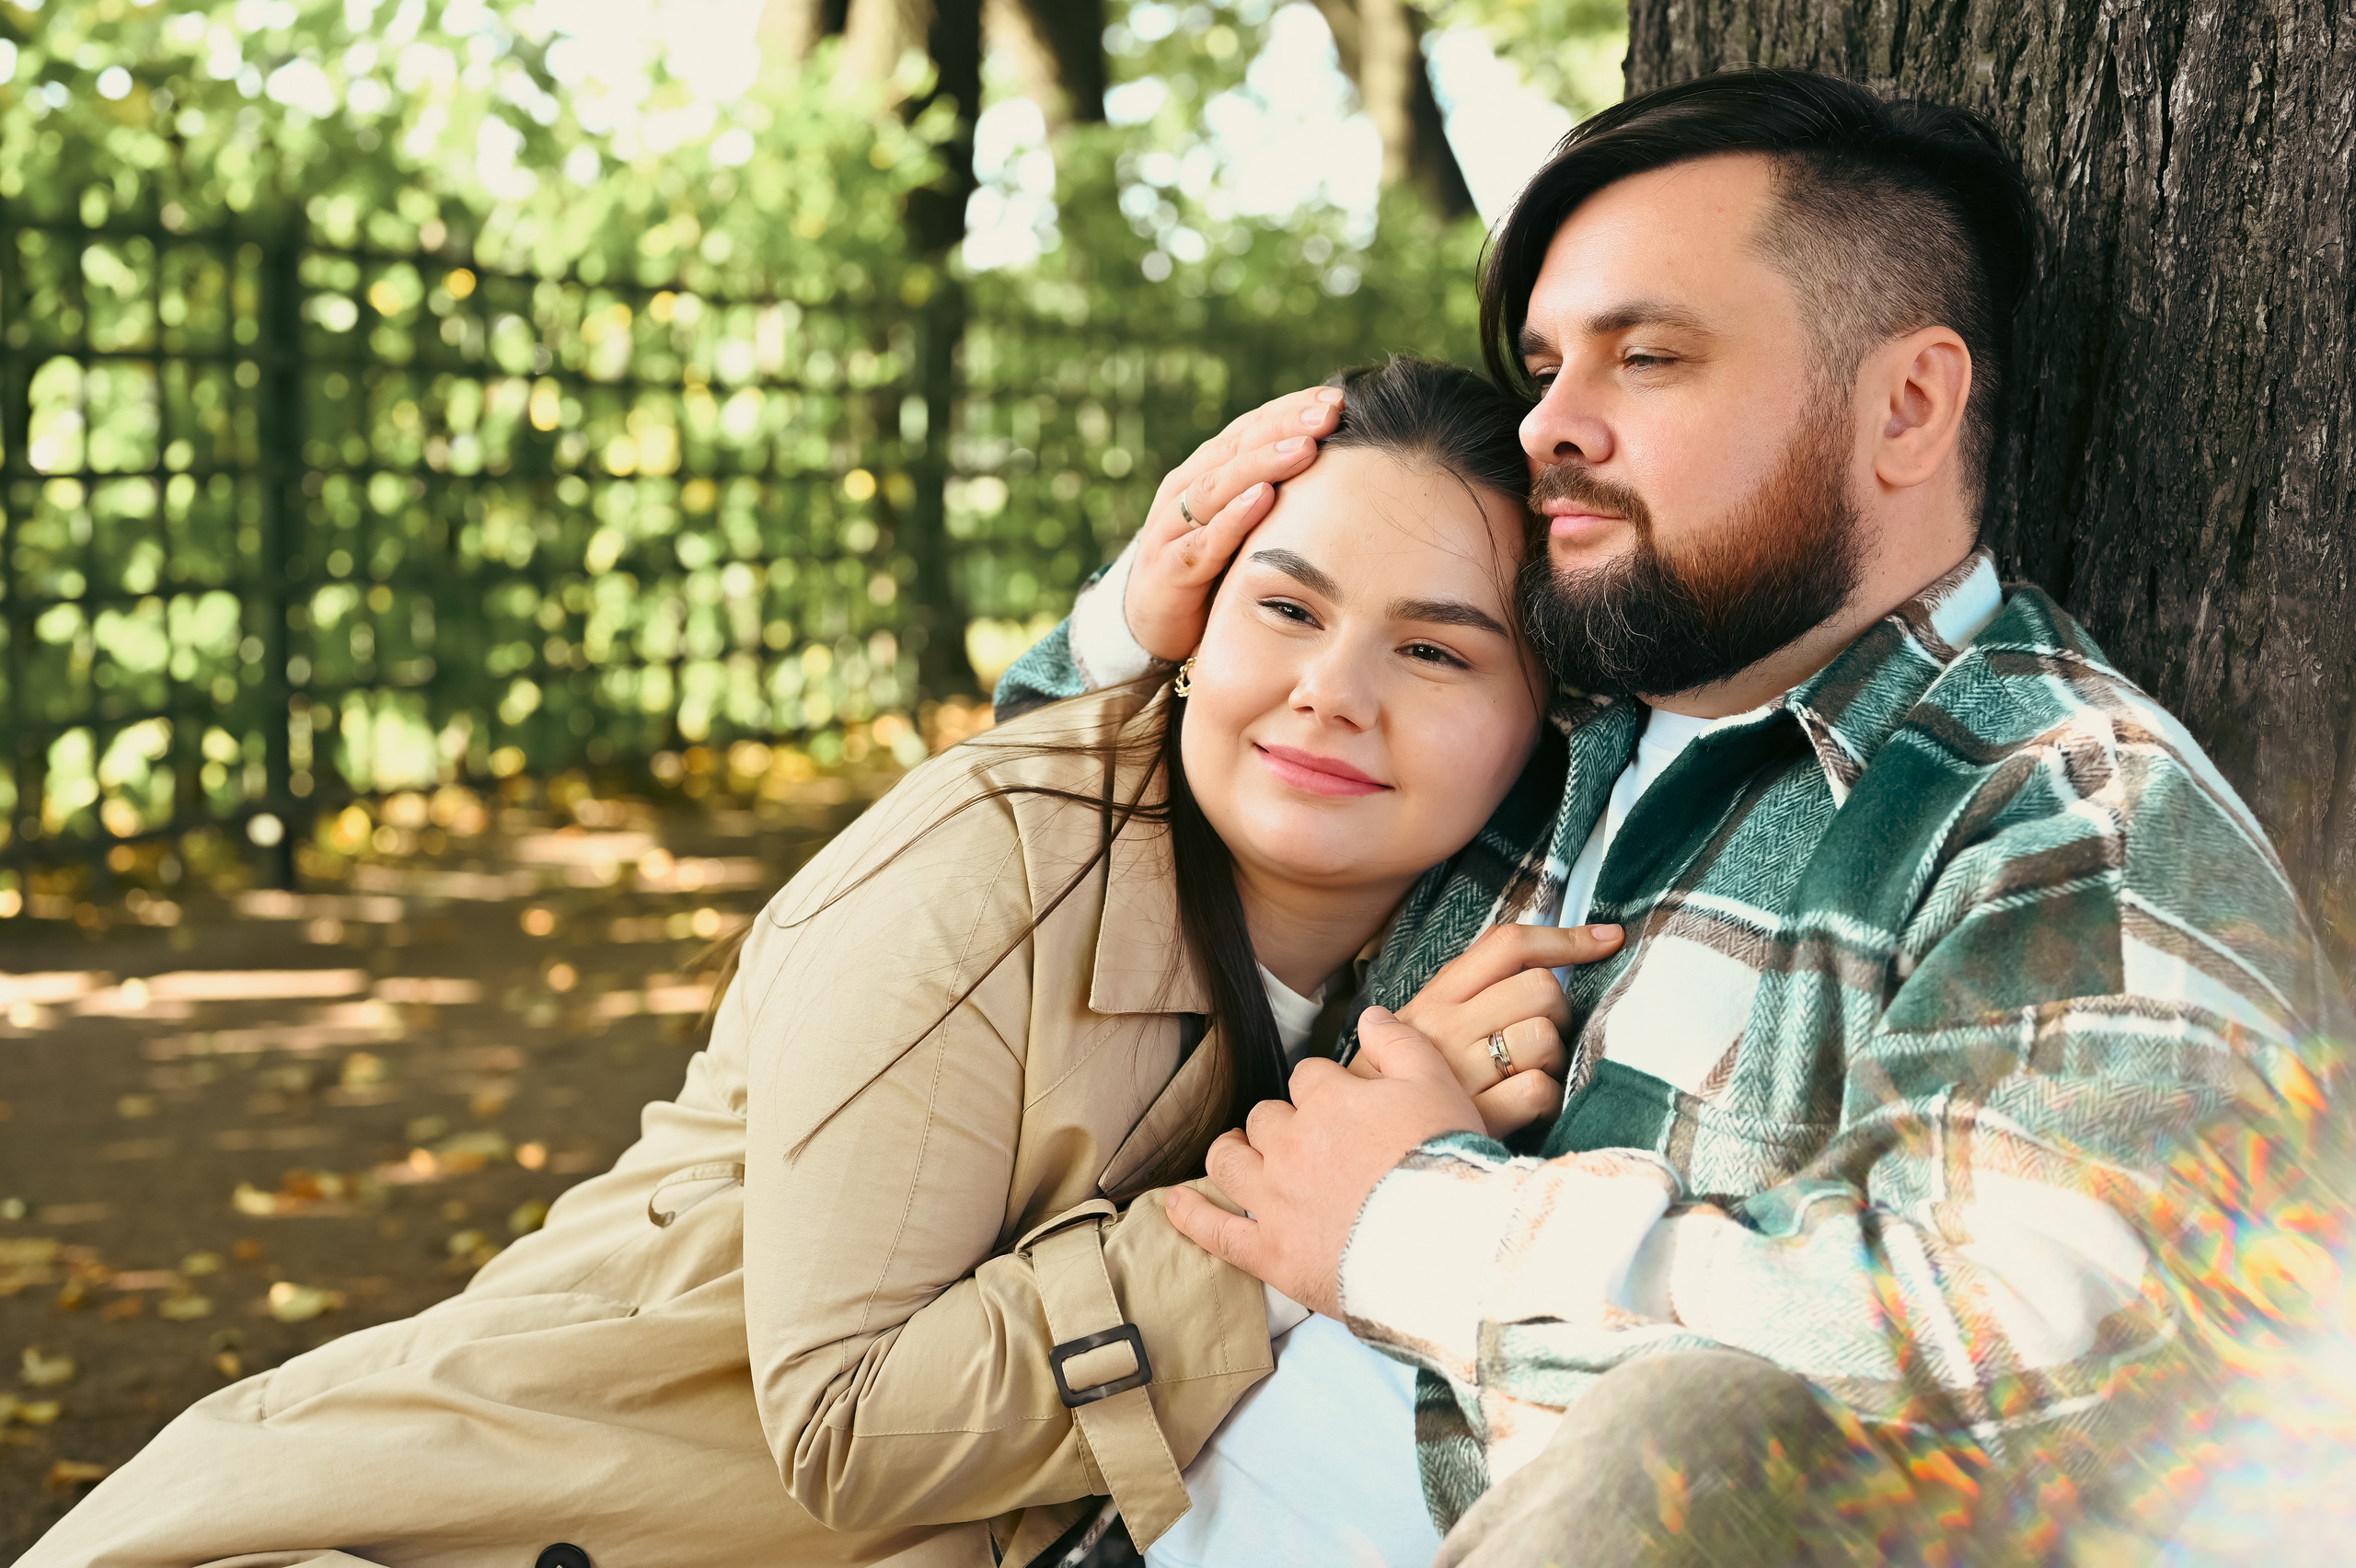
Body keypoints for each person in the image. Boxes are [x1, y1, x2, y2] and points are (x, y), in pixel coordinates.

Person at [997, 68, 2351, 1564]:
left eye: (1643, 358)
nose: (1548, 430)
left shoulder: (2064, 816)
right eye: (1542, 368)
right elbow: (1038, 872)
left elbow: (2061, 1375)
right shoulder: (1508, 704)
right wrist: (1134, 620)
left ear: (1906, 406)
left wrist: (1411, 1221)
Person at [23, 357, 1620, 1568]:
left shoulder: (1448, 943)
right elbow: (849, 1432)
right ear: (1194, 621)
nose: (1333, 693)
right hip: (428, 1529)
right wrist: (1306, 1223)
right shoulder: (993, 859)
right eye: (1286, 606)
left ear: (1539, 714)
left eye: (1434, 648)